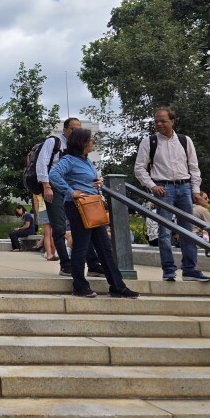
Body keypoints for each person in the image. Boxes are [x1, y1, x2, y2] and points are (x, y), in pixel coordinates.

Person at [49, 128, 139, 299]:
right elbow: (54, 175)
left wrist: (97, 182)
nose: (92, 143)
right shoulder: (69, 160)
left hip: (93, 206)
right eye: (90, 140)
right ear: (81, 142)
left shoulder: (87, 161)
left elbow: (86, 179)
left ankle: (117, 286)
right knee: (81, 246)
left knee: (105, 247)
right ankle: (80, 286)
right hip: (78, 207)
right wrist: (70, 191)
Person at [133, 107, 210, 282]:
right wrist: (152, 186)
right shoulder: (149, 141)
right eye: (156, 121)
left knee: (188, 229)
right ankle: (168, 269)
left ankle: (190, 269)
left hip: (183, 186)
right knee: (165, 231)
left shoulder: (184, 140)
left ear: (172, 121)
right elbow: (139, 168)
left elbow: (194, 167)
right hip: (163, 188)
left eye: (163, 121)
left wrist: (195, 191)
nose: (159, 124)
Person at [36, 117, 103, 277]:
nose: (76, 131)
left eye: (79, 128)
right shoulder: (54, 142)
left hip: (75, 190)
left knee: (85, 225)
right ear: (64, 129)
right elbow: (42, 164)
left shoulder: (80, 148)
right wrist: (46, 186)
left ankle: (93, 264)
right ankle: (65, 264)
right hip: (56, 189)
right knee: (59, 227)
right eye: (73, 128)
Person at [34, 194, 57, 260]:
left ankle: (49, 254)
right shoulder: (49, 185)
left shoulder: (35, 189)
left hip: (42, 210)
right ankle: (53, 253)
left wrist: (38, 214)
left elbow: (36, 203)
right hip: (53, 209)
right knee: (53, 233)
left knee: (47, 234)